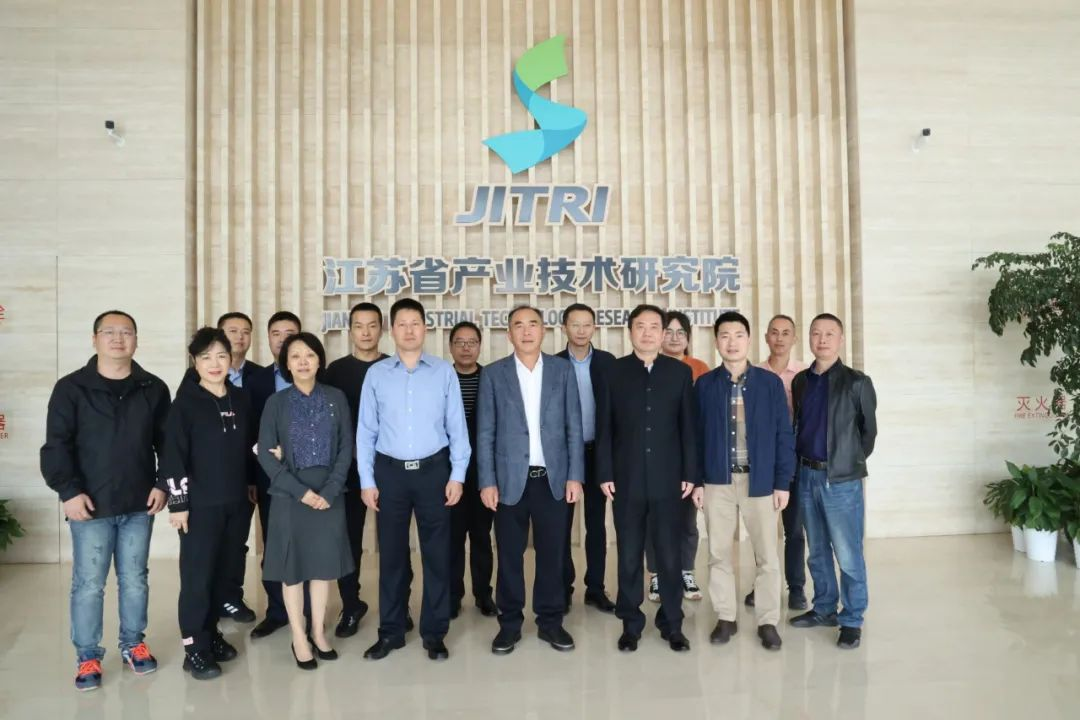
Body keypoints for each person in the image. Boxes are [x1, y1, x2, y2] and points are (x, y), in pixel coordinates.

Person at [41, 310, 170, 691]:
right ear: (94, 339)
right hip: (89, 504)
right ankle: (87, 656)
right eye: (109, 332)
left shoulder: (153, 388)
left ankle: (133, 643)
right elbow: (57, 445)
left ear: (136, 340)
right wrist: (68, 491)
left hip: (138, 504)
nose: (118, 339)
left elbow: (168, 443)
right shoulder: (71, 388)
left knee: (135, 580)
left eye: (126, 332)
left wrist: (162, 484)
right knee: (88, 584)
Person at [357, 298, 470, 662]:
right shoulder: (377, 374)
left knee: (437, 556)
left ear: (425, 328)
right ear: (391, 330)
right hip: (389, 473)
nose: (409, 330)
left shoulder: (443, 372)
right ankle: (391, 632)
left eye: (415, 323)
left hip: (434, 472)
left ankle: (435, 634)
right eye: (402, 324)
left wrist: (457, 475)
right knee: (391, 557)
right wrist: (367, 480)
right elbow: (366, 431)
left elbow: (457, 427)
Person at [477, 306, 585, 655]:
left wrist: (575, 475)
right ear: (508, 334)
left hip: (552, 479)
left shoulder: (562, 371)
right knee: (509, 555)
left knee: (553, 555)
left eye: (533, 324)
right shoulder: (494, 374)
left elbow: (574, 427)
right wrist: (487, 481)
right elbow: (485, 432)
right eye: (518, 326)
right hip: (509, 481)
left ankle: (550, 621)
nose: (526, 331)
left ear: (544, 331)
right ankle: (509, 624)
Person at [596, 304, 699, 653]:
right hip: (626, 480)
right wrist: (605, 472)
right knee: (628, 555)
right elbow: (604, 426)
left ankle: (672, 623)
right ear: (630, 331)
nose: (648, 333)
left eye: (655, 327)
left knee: (669, 555)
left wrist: (691, 474)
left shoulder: (679, 372)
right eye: (641, 326)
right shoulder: (614, 372)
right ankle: (630, 624)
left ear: (663, 333)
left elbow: (688, 428)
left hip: (670, 480)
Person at [159, 327, 256, 679]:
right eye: (206, 357)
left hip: (237, 502)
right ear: (195, 362)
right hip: (199, 507)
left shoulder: (241, 399)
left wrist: (251, 483)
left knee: (223, 574)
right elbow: (172, 456)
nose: (214, 364)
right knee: (197, 578)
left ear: (231, 359)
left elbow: (249, 447)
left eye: (221, 356)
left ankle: (211, 634)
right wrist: (178, 504)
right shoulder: (185, 404)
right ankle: (195, 648)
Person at [696, 312, 795, 651]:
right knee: (718, 553)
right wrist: (697, 482)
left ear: (749, 340)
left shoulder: (769, 384)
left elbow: (784, 434)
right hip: (718, 481)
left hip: (760, 481)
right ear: (717, 341)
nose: (732, 342)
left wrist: (782, 482)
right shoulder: (705, 385)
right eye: (725, 335)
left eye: (738, 335)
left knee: (767, 555)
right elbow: (695, 437)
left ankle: (768, 621)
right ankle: (726, 617)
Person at [258, 332, 355, 669]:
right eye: (295, 356)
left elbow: (346, 447)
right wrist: (301, 492)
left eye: (309, 355)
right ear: (286, 363)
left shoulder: (336, 398)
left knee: (323, 567)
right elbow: (266, 455)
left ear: (319, 360)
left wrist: (329, 490)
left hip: (329, 494)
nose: (303, 362)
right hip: (290, 495)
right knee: (293, 569)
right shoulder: (276, 403)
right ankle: (298, 636)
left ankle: (317, 630)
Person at [788, 313, 877, 650]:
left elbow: (868, 434)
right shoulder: (801, 381)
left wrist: (845, 464)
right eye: (816, 333)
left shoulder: (857, 382)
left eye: (829, 334)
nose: (822, 339)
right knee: (817, 550)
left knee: (848, 553)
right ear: (809, 339)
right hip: (806, 475)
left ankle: (851, 618)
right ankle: (824, 607)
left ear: (840, 339)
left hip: (841, 480)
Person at [322, 302, 389, 638]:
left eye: (372, 325)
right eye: (359, 326)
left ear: (382, 329)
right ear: (350, 331)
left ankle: (396, 605)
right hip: (347, 469)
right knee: (347, 540)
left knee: (392, 541)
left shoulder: (393, 367)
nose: (365, 332)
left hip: (388, 467)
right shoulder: (335, 371)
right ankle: (351, 604)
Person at [745, 314, 809, 611]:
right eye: (774, 332)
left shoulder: (806, 374)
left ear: (794, 338)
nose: (780, 338)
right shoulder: (753, 373)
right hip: (762, 460)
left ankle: (796, 587)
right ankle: (762, 585)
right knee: (762, 530)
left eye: (786, 333)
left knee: (794, 529)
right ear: (766, 337)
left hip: (796, 458)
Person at [555, 303, 616, 613]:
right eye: (574, 324)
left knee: (596, 524)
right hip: (563, 455)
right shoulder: (552, 363)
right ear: (564, 327)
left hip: (597, 453)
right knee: (561, 525)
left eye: (586, 324)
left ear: (594, 327)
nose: (581, 330)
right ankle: (563, 588)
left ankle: (595, 588)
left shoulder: (608, 362)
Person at [247, 311, 304, 639]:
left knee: (308, 542)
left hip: (311, 477)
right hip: (269, 477)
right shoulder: (256, 380)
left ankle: (307, 611)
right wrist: (251, 477)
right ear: (268, 338)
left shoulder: (314, 375)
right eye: (276, 333)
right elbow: (248, 433)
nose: (283, 339)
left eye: (290, 333)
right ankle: (278, 611)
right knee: (274, 543)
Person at [646, 310, 708, 603]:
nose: (673, 337)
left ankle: (686, 571)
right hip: (656, 457)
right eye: (668, 331)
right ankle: (657, 574)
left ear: (688, 338)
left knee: (687, 521)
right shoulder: (649, 366)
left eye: (680, 332)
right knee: (654, 520)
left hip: (688, 456)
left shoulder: (699, 368)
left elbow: (703, 418)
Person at [447, 321, 497, 619]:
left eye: (472, 342)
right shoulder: (442, 378)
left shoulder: (490, 378)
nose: (466, 348)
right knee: (452, 538)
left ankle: (483, 594)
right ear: (450, 346)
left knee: (481, 536)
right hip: (449, 473)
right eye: (460, 342)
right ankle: (453, 596)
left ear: (480, 346)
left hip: (482, 472)